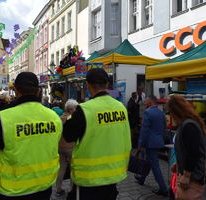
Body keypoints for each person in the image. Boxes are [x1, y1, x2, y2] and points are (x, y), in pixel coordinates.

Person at [0, 72, 62, 200]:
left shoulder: (3, 118)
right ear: (38, 91)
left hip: (11, 190)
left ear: (16, 90)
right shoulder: (54, 117)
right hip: (43, 186)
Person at [63, 68, 131, 200]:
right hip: (114, 175)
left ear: (87, 85)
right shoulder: (121, 107)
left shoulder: (85, 109)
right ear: (107, 85)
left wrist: (69, 118)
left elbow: (68, 136)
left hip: (89, 179)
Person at [167, 95, 206, 199]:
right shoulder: (185, 124)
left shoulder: (189, 125)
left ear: (176, 111)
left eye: (170, 112)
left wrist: (186, 176)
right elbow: (186, 149)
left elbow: (193, 152)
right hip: (190, 176)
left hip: (193, 178)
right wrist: (178, 163)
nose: (170, 115)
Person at [137, 95, 168, 196]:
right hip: (158, 142)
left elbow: (144, 131)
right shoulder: (161, 113)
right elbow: (164, 128)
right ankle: (142, 178)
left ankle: (163, 189)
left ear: (150, 102)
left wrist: (140, 144)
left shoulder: (147, 112)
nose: (145, 104)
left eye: (146, 102)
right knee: (147, 161)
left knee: (154, 165)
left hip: (149, 143)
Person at [55, 99, 79, 197]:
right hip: (70, 147)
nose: (76, 110)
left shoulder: (60, 118)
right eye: (75, 108)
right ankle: (72, 190)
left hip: (60, 147)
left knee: (61, 169)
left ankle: (58, 190)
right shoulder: (72, 118)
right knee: (73, 169)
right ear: (71, 109)